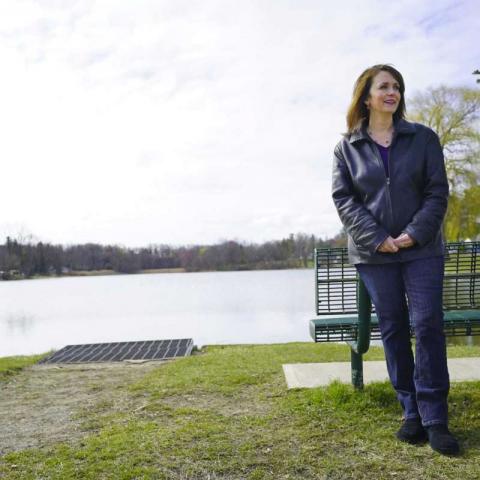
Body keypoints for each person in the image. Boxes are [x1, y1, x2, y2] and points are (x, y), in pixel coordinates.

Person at [331, 64, 459, 456]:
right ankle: (411, 414)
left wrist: (413, 234)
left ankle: (435, 417)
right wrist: (378, 239)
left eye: (397, 87)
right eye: (384, 86)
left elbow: (437, 192)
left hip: (421, 249)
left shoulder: (423, 138)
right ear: (366, 96)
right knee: (393, 328)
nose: (393, 92)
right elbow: (344, 200)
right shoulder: (346, 148)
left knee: (427, 325)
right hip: (374, 255)